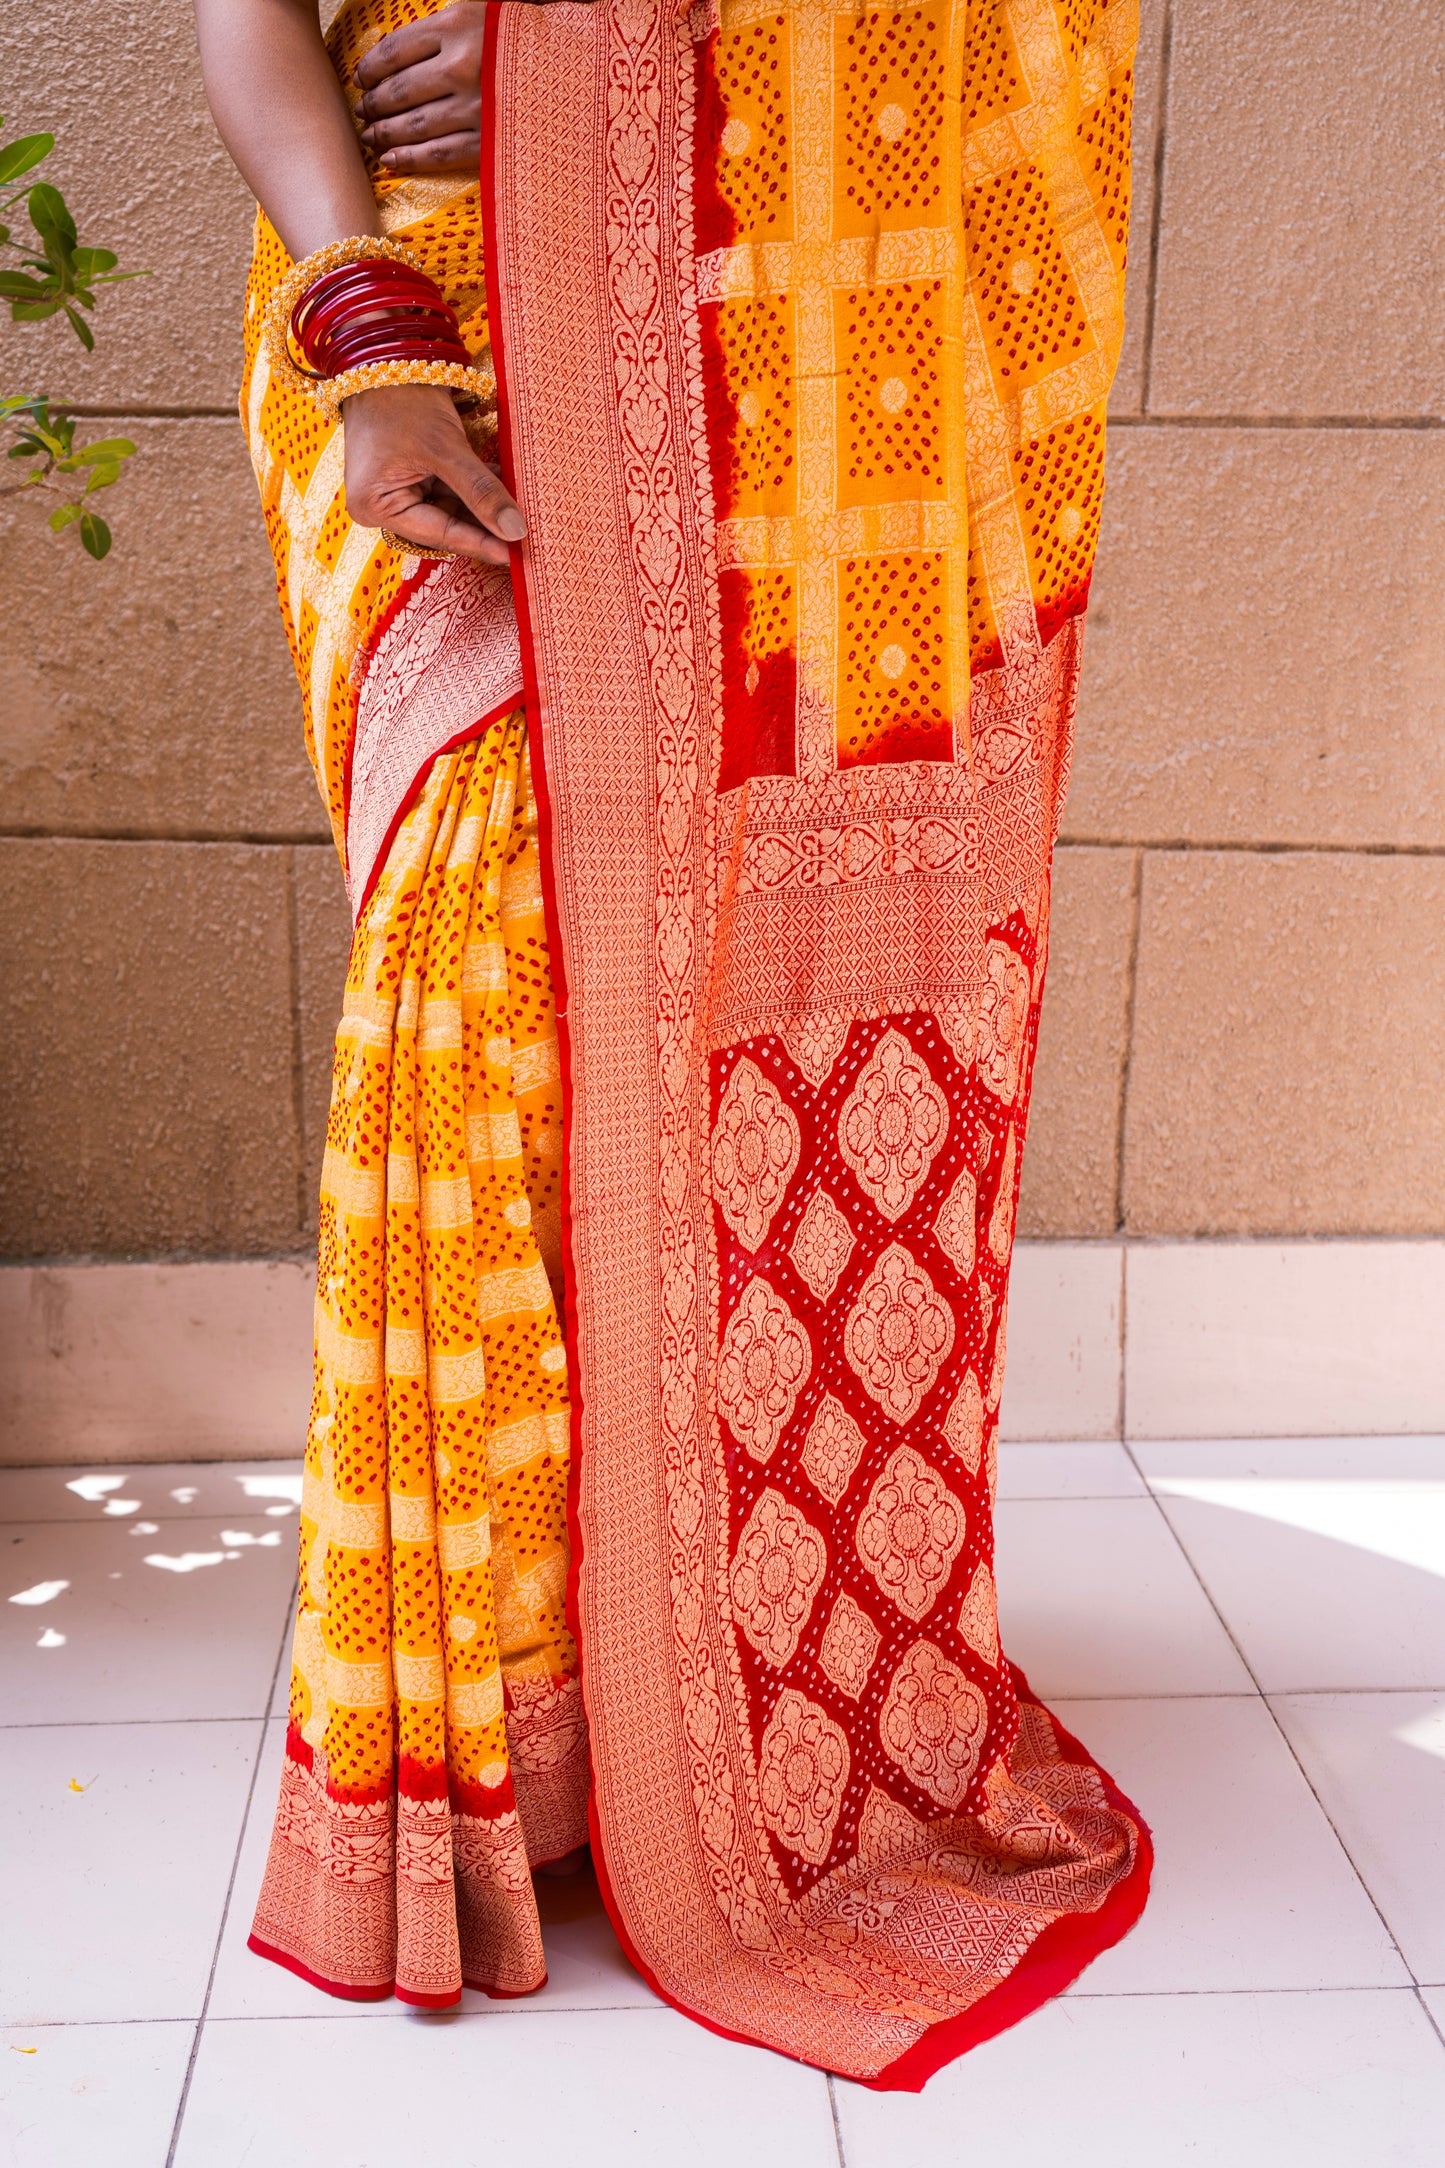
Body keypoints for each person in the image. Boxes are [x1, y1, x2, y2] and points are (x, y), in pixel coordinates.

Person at [194, 0, 1151, 2086]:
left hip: (755, 317)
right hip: (428, 317)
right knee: (473, 988)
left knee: (656, 1008)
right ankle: (491, 1740)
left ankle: (674, 1696)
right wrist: (364, 321)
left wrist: (637, 46)